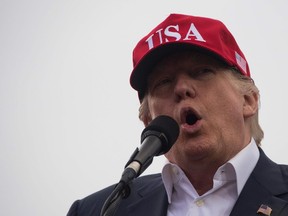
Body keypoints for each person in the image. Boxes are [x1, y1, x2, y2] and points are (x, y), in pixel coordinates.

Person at [67, 13, 288, 216]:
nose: (182, 88)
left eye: (202, 71)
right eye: (164, 82)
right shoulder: (96, 211)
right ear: (148, 120)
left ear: (248, 100)